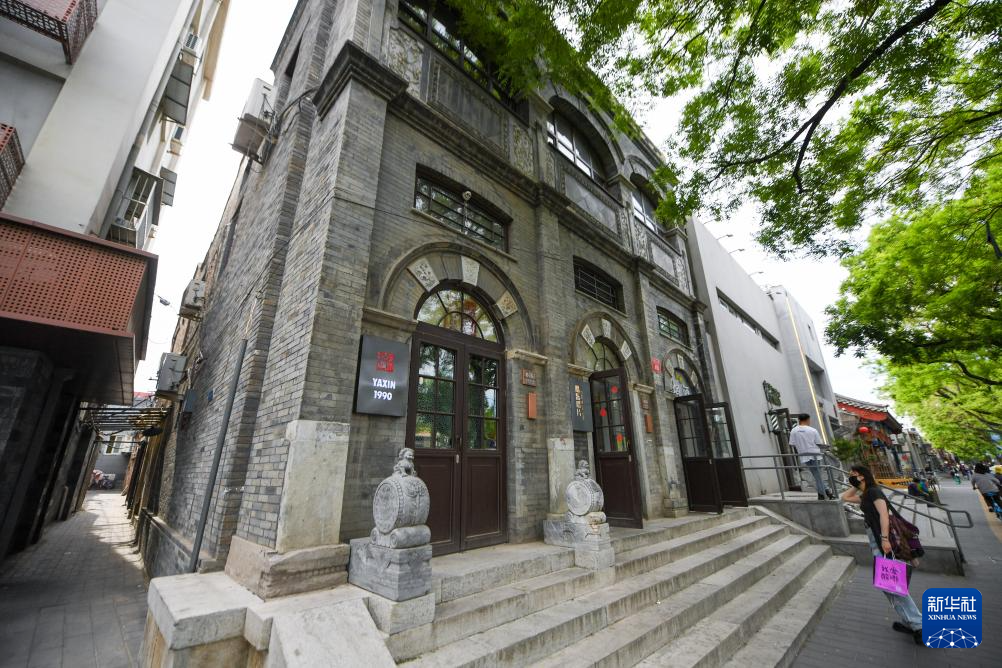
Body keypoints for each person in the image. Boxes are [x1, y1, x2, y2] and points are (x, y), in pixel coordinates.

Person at [841, 464, 924, 645]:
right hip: (876, 540)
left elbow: (884, 515)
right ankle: (910, 620)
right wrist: (856, 484)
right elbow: (845, 497)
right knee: (888, 584)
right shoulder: (866, 494)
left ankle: (918, 624)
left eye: (853, 474)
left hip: (883, 540)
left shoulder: (874, 492)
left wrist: (885, 539)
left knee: (891, 584)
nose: (850, 476)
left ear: (862, 475)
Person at [788, 414, 834, 500]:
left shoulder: (794, 431)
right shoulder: (812, 430)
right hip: (815, 454)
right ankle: (827, 491)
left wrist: (802, 446)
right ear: (807, 419)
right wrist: (826, 447)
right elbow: (819, 443)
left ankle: (821, 495)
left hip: (804, 455)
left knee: (816, 474)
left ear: (799, 420)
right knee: (817, 474)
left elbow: (792, 444)